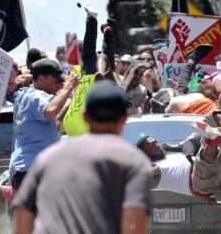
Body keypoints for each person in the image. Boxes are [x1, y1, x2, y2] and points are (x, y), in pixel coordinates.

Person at [13, 80, 152, 234]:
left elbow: (23, 215)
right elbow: (134, 225)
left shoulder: (49, 157)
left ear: (85, 116)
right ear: (125, 117)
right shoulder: (134, 162)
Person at [9, 58, 80, 190]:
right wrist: (68, 87)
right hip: (33, 169)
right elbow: (51, 110)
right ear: (41, 79)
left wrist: (69, 97)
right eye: (56, 81)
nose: (60, 85)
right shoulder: (35, 96)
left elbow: (56, 121)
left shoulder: (26, 96)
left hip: (27, 169)